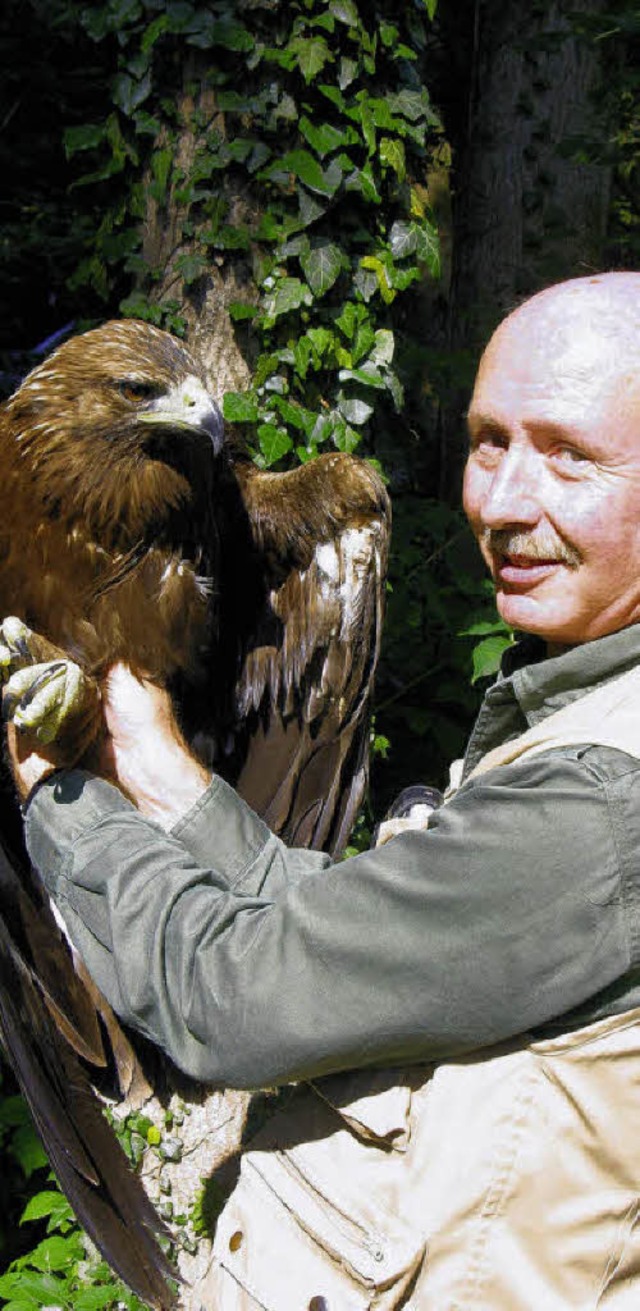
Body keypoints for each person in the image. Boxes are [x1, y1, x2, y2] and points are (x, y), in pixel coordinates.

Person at [8, 270, 640, 1307]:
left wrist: (59, 799)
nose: (503, 504)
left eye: (570, 457)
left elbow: (244, 998)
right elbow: (359, 943)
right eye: (489, 443)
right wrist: (162, 777)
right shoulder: (575, 715)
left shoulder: (602, 795)